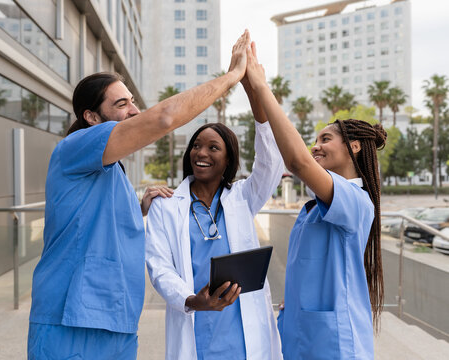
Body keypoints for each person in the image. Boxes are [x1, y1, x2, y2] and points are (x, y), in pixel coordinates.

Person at [27, 31, 251, 360]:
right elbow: (162, 118)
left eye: (133, 101)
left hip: (117, 322)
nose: (134, 110)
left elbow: (91, 220)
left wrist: (138, 208)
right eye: (122, 104)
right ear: (91, 117)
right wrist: (232, 76)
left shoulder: (111, 169)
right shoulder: (75, 148)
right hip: (70, 324)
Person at [245, 40, 387, 359]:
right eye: (315, 140)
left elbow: (297, 161)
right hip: (300, 334)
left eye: (326, 139)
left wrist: (262, 86)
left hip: (333, 343)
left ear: (353, 147)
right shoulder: (313, 209)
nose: (315, 146)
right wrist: (250, 90)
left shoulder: (355, 200)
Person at [145, 62, 284, 359]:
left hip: (244, 332)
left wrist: (253, 89)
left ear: (228, 158)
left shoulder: (242, 197)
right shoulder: (166, 205)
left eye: (213, 148)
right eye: (196, 146)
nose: (202, 153)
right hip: (196, 323)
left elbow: (271, 162)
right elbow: (159, 267)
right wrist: (194, 300)